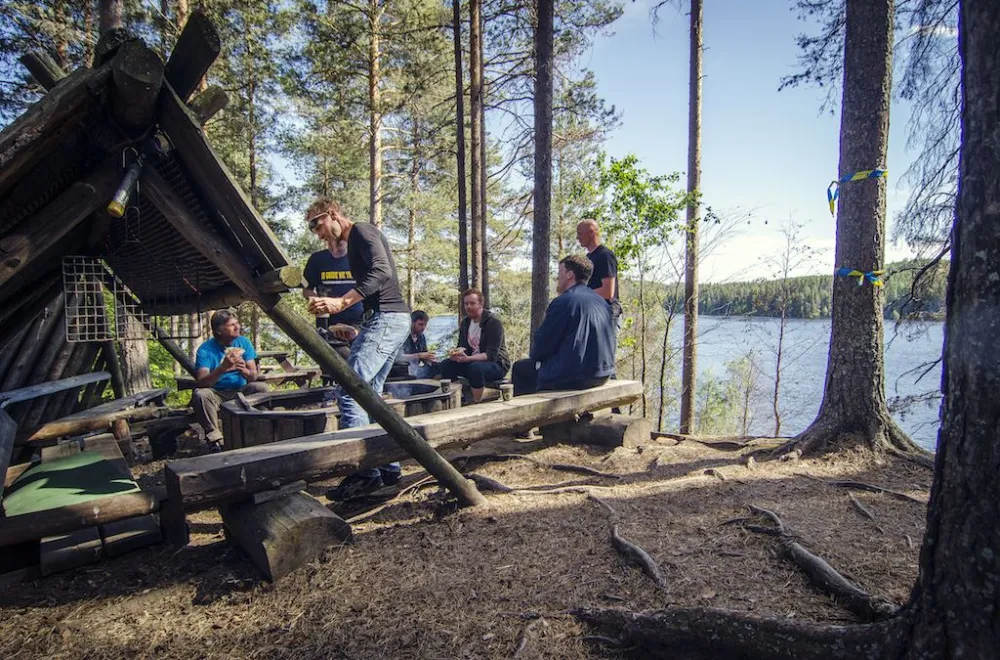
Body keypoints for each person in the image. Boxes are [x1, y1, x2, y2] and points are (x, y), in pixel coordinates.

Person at [304, 198, 411, 499]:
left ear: (334, 214)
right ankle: (387, 467)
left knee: (350, 389)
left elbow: (382, 272)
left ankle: (364, 473)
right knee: (370, 397)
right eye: (312, 227)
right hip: (384, 319)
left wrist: (342, 302)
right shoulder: (352, 245)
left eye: (317, 223)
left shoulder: (363, 231)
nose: (317, 232)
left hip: (388, 319)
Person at [511, 255, 615, 396]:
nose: (557, 278)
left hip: (574, 376)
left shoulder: (564, 302)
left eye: (559, 273)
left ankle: (529, 416)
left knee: (521, 369)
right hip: (603, 373)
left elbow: (541, 347)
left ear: (569, 275)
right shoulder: (602, 303)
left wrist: (539, 357)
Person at [191, 309, 268, 450]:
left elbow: (253, 376)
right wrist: (223, 368)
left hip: (240, 390)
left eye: (237, 323)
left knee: (261, 388)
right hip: (216, 393)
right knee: (200, 394)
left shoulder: (243, 342)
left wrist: (242, 369)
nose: (237, 327)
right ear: (219, 330)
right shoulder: (205, 349)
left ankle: (259, 429)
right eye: (232, 325)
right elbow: (202, 382)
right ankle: (215, 440)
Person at [440, 289, 510, 402]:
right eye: (466, 303)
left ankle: (477, 402)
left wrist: (468, 359)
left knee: (475, 368)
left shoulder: (493, 323)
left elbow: (491, 355)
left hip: (496, 364)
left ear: (481, 304)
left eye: (472, 303)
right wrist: (457, 355)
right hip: (472, 362)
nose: (468, 307)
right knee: (446, 365)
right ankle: (459, 398)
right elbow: (461, 346)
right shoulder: (466, 323)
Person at [303, 236, 364, 364]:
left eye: (339, 245)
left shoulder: (358, 259)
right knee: (330, 366)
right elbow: (306, 289)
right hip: (327, 324)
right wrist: (317, 302)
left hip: (357, 321)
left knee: (359, 366)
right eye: (331, 244)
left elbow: (369, 288)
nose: (335, 249)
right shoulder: (317, 259)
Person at [577, 219, 623, 335]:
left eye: (580, 233)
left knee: (603, 353)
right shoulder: (588, 258)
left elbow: (608, 291)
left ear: (591, 232)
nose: (577, 238)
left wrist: (579, 295)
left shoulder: (604, 256)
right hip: (593, 314)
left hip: (606, 315)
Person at [394, 310, 440, 379]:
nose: (423, 327)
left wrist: (430, 359)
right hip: (401, 371)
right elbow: (397, 358)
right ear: (412, 323)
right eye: (420, 324)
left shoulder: (421, 337)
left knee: (441, 367)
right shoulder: (402, 336)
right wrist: (418, 356)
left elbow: (424, 358)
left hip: (416, 370)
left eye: (425, 325)